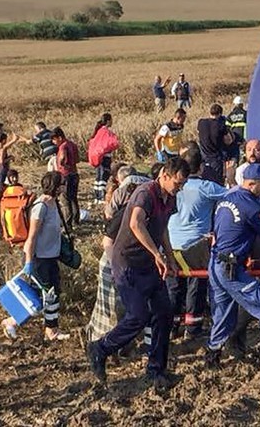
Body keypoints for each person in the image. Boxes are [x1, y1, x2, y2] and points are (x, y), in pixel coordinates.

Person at [87, 157, 190, 393]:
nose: (179, 188)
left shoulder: (170, 197)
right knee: (138, 316)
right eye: (177, 183)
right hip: (129, 263)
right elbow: (135, 224)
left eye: (183, 184)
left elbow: (162, 228)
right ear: (164, 175)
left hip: (150, 264)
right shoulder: (145, 193)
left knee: (164, 312)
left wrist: (170, 257)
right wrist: (156, 254)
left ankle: (156, 370)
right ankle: (100, 348)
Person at [204, 163, 260, 373]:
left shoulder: (226, 199)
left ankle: (212, 357)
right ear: (251, 184)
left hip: (216, 262)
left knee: (223, 313)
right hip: (232, 269)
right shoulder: (254, 207)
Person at [167, 143, 227, 340]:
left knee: (174, 287)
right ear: (201, 167)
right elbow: (233, 196)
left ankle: (171, 326)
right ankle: (192, 329)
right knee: (197, 284)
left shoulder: (173, 186)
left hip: (171, 244)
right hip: (195, 246)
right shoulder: (206, 187)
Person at [2, 172, 70, 342]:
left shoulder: (54, 204)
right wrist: (28, 262)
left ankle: (50, 328)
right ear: (56, 186)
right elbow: (31, 237)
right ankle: (14, 322)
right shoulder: (41, 207)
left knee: (50, 293)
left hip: (51, 257)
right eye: (62, 183)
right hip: (40, 258)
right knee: (46, 294)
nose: (65, 185)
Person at [86, 166, 150, 342]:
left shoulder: (143, 213)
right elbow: (107, 242)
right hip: (113, 264)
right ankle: (104, 342)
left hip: (126, 264)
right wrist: (117, 266)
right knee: (113, 309)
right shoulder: (125, 215)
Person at [51, 127, 80, 229]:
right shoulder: (72, 144)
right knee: (73, 199)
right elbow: (77, 159)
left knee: (65, 200)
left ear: (59, 137)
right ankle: (76, 221)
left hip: (65, 175)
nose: (53, 142)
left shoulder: (63, 147)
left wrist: (62, 164)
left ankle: (67, 224)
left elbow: (62, 158)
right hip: (74, 173)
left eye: (54, 139)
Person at [89, 113, 119, 205]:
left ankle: (97, 197)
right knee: (104, 177)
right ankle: (102, 197)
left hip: (97, 157)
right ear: (108, 121)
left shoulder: (98, 131)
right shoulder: (106, 132)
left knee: (98, 177)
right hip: (105, 157)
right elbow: (114, 143)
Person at [197, 104, 228, 185]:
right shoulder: (220, 125)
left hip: (203, 156)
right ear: (220, 114)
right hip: (215, 157)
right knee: (217, 182)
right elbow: (228, 140)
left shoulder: (201, 122)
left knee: (205, 181)